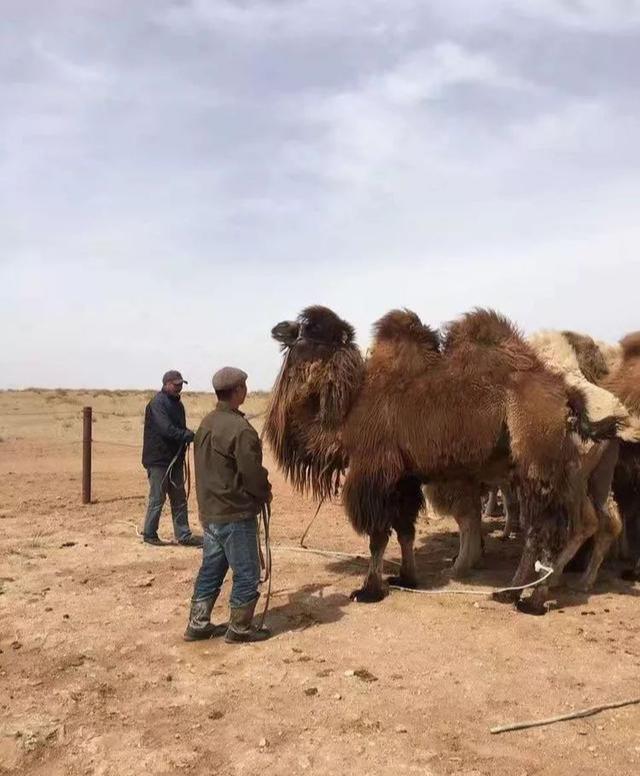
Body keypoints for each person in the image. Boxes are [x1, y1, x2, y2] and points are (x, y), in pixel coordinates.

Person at [184, 367, 272, 643]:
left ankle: (198, 623)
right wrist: (264, 494)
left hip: (210, 512)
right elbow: (252, 474)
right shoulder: (241, 430)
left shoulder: (206, 423)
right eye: (244, 387)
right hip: (235, 513)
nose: (246, 390)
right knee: (248, 573)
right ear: (237, 392)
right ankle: (241, 628)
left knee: (212, 569)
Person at [141, 370, 202, 547]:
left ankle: (183, 535)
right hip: (159, 460)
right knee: (157, 498)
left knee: (179, 497)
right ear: (166, 384)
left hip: (174, 459)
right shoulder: (157, 404)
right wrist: (187, 435)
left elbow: (177, 428)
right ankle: (149, 534)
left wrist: (187, 435)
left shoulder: (177, 405)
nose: (179, 388)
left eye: (181, 384)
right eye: (176, 384)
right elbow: (166, 429)